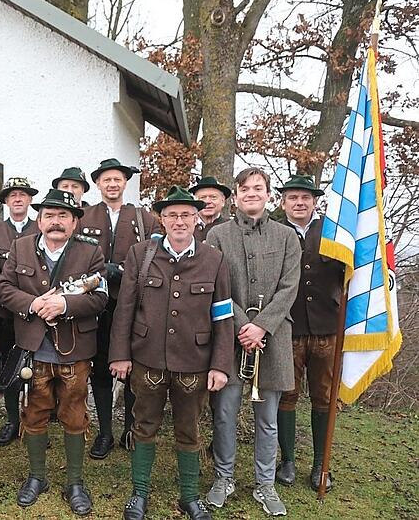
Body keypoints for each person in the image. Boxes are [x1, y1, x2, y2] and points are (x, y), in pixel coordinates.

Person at [109, 186, 234, 520]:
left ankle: (190, 497)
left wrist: (221, 365)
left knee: (189, 429)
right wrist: (119, 355)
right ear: (162, 219)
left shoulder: (215, 259)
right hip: (147, 358)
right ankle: (139, 494)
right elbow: (124, 309)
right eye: (172, 215)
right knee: (143, 425)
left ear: (197, 219)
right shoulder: (140, 254)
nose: (179, 221)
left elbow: (223, 316)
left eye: (186, 215)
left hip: (194, 362)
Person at [0, 189, 108, 517]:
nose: (55, 222)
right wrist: (32, 303)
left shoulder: (91, 252)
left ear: (74, 222)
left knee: (74, 414)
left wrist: (64, 304)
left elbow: (100, 297)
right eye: (49, 215)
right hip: (34, 349)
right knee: (34, 412)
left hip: (76, 350)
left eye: (63, 216)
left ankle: (75, 482)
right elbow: (4, 288)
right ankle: (37, 477)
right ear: (39, 219)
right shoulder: (20, 247)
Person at [205, 168, 301, 517]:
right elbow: (216, 286)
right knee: (225, 414)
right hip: (229, 338)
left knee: (268, 419)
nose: (251, 194)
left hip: (273, 338)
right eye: (244, 188)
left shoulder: (287, 236)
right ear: (235, 194)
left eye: (257, 188)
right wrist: (244, 326)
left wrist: (261, 327)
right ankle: (223, 478)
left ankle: (265, 484)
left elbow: (290, 287)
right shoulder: (217, 235)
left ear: (268, 194)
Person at [79, 158, 158, 460]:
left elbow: (153, 259)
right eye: (106, 180)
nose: (112, 184)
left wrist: (123, 272)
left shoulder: (142, 218)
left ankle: (131, 429)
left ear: (125, 183)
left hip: (133, 304)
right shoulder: (85, 215)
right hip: (96, 305)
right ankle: (104, 433)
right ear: (98, 184)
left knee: (132, 368)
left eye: (117, 179)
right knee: (100, 368)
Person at [273, 174, 344, 492]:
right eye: (292, 197)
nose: (299, 203)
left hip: (328, 327)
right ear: (283, 202)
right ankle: (287, 461)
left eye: (305, 197)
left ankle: (320, 465)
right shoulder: (274, 232)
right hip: (288, 327)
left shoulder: (335, 230)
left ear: (315, 200)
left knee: (324, 397)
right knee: (287, 394)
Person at [0, 177, 39, 446]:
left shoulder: (42, 227)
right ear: (5, 200)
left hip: (38, 312)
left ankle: (34, 423)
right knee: (10, 369)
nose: (17, 199)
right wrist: (9, 295)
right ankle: (12, 419)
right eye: (12, 195)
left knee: (39, 370)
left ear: (29, 200)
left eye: (23, 195)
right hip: (5, 313)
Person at [189, 177, 232, 245]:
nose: (207, 201)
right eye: (202, 197)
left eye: (213, 197)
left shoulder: (233, 228)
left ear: (223, 201)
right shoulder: (185, 227)